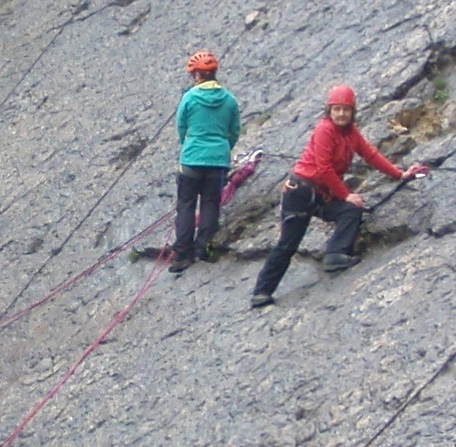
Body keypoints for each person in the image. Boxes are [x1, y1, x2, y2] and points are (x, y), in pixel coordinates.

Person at [249, 86, 430, 308]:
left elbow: (370, 155)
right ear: (330, 111)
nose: (342, 114)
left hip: (321, 194)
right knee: (288, 244)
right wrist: (346, 194)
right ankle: (261, 292)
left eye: (346, 110)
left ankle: (335, 255)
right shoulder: (325, 130)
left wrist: (399, 174)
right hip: (301, 192)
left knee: (351, 210)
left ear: (352, 112)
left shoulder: (351, 133)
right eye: (337, 109)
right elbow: (324, 168)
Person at [173, 50, 242, 265]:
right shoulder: (229, 100)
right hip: (218, 161)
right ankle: (204, 247)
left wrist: (190, 146)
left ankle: (183, 253)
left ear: (197, 76)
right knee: (211, 203)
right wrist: (223, 148)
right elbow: (235, 130)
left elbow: (181, 127)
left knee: (186, 204)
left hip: (192, 159)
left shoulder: (189, 97)